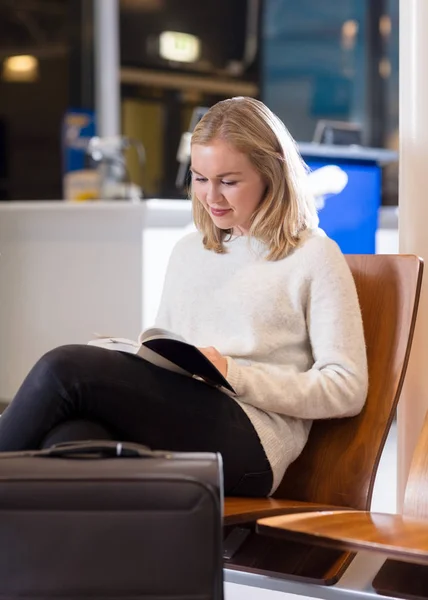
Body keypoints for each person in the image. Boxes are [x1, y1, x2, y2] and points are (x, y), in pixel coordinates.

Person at [0, 97, 368, 497]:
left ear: (271, 173)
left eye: (229, 181)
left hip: (251, 444)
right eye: (200, 178)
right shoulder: (189, 251)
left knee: (64, 369)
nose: (212, 197)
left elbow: (346, 387)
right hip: (185, 416)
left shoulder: (312, 254)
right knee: (71, 439)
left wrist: (233, 373)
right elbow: (166, 358)